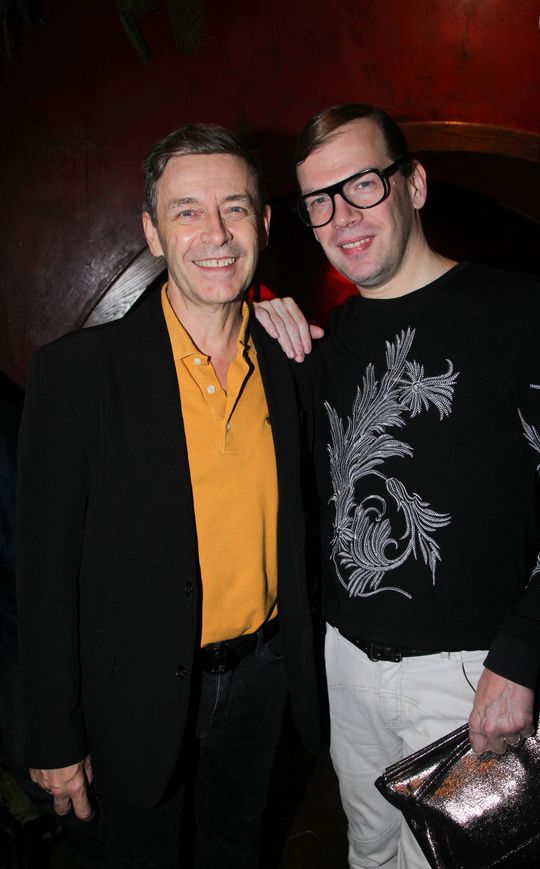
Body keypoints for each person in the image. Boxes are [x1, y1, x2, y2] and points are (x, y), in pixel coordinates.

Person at [254, 102, 540, 869]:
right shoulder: (329, 343)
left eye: (363, 184)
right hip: (348, 666)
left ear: (416, 183)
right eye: (319, 202)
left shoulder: (519, 310)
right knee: (370, 852)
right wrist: (256, 320)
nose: (342, 216)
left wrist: (521, 654)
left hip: (470, 678)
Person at [16, 123, 319, 869]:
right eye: (187, 211)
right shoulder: (78, 376)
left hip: (264, 680)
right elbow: (45, 576)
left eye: (236, 208)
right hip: (133, 694)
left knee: (236, 850)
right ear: (152, 230)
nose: (215, 233)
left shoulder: (296, 360)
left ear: (265, 223)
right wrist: (53, 733)